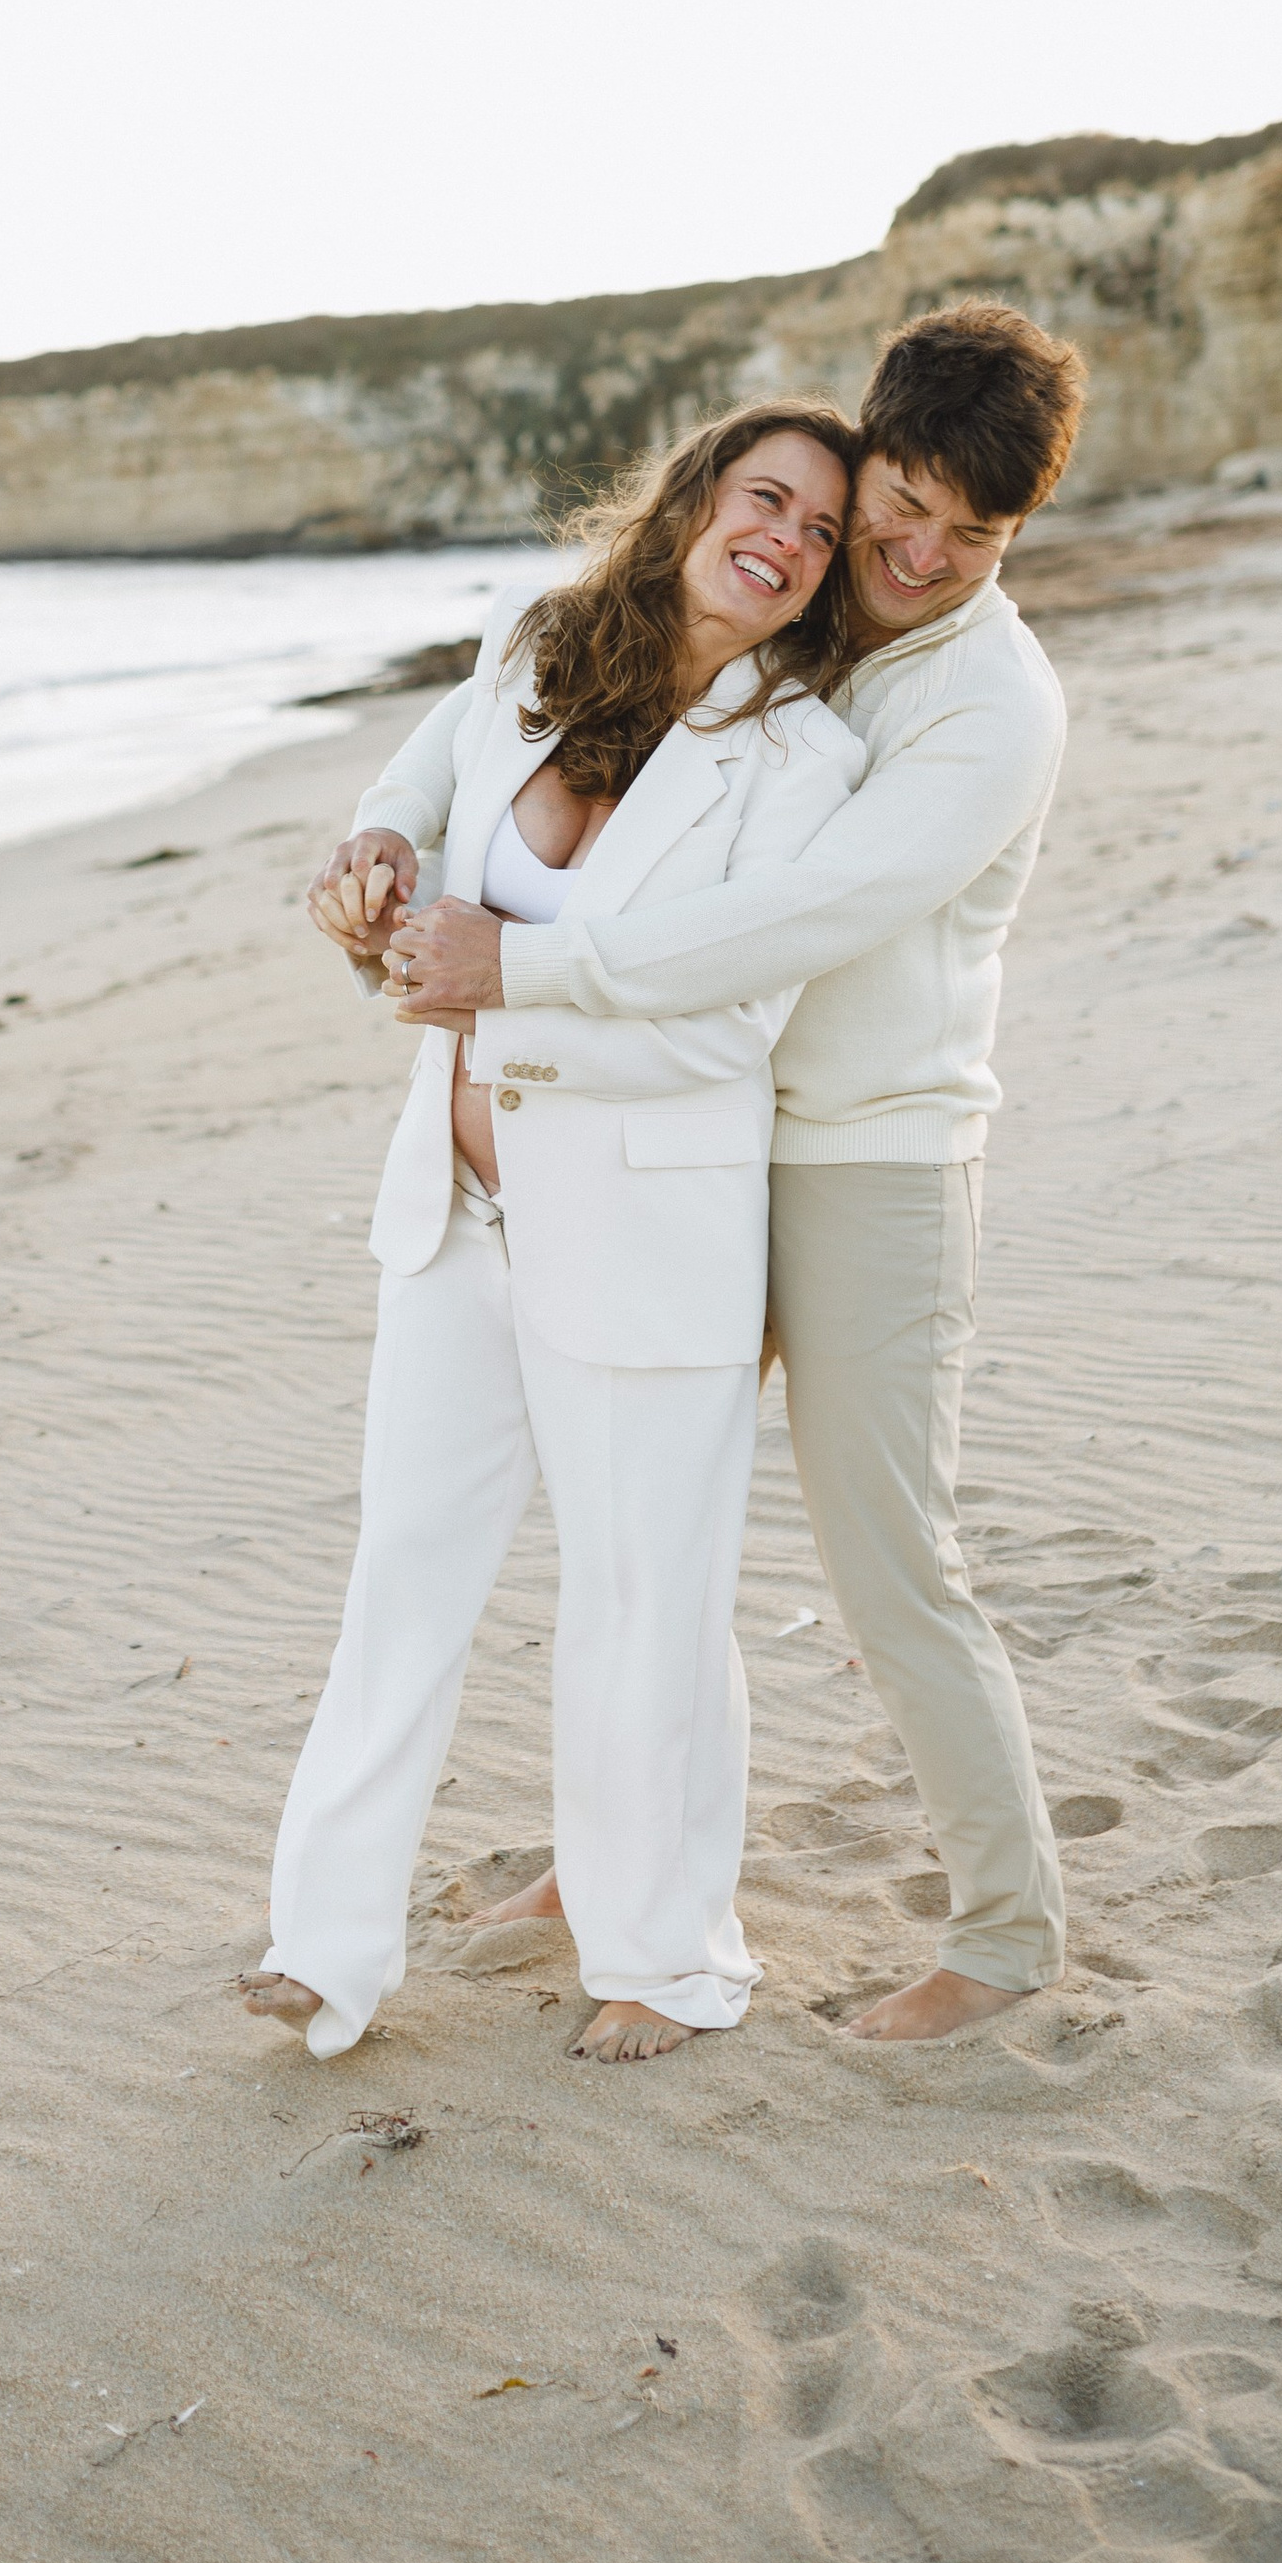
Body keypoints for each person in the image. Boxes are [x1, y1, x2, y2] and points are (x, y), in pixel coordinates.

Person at [382, 301, 1086, 2041]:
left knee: (884, 1556)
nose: (916, 561)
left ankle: (1008, 1935)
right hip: (691, 1130)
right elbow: (520, 716)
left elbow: (798, 913)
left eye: (969, 542)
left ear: (1018, 539)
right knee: (651, 1521)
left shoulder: (991, 705)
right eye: (900, 512)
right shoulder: (808, 597)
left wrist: (525, 972)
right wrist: (390, 836)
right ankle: (610, 1862)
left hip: (867, 1160)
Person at [246, 407, 865, 2064]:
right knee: (404, 1575)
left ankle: (664, 1957)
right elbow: (433, 783)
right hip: (454, 1212)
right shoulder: (535, 641)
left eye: (819, 529)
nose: (789, 539)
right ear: (694, 498)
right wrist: (375, 860)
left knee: (645, 1595)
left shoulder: (802, 764)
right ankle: (326, 1943)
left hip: (651, 1234)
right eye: (766, 497)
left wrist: (495, 991)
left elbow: (731, 1027)